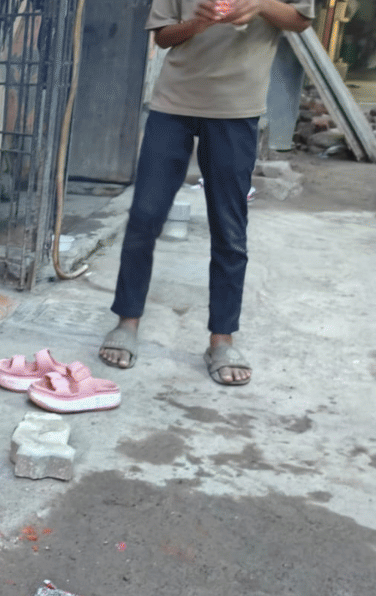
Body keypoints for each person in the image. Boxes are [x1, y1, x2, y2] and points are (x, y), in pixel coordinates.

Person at [99, 0, 312, 385]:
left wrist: (261, 5)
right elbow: (163, 37)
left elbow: (300, 20)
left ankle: (221, 339)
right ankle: (127, 321)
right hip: (173, 106)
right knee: (145, 216)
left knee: (229, 229)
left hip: (236, 109)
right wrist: (197, 23)